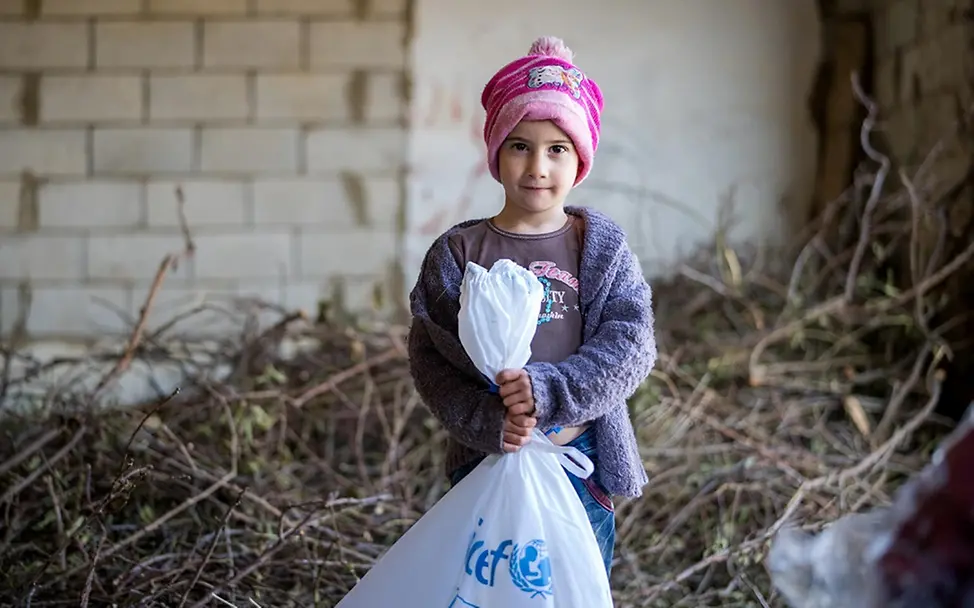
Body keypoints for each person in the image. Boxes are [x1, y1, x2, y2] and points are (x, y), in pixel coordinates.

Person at [407, 35, 657, 580]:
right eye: (520, 145)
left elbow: (631, 344)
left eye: (557, 148)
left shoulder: (598, 247)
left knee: (573, 585)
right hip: (488, 460)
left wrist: (552, 388)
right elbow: (432, 362)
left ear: (580, 158)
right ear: (496, 151)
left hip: (580, 461)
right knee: (486, 585)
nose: (538, 165)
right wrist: (484, 419)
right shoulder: (457, 253)